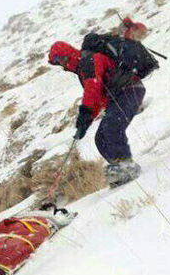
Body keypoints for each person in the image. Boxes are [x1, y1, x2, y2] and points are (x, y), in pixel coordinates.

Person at [48, 41, 146, 187]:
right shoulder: (82, 70)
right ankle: (120, 169)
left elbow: (92, 89)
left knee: (111, 128)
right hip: (117, 96)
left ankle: (127, 166)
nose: (62, 63)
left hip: (129, 89)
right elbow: (98, 99)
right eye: (58, 62)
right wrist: (86, 123)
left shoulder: (89, 60)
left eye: (62, 58)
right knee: (100, 138)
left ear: (69, 53)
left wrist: (84, 112)